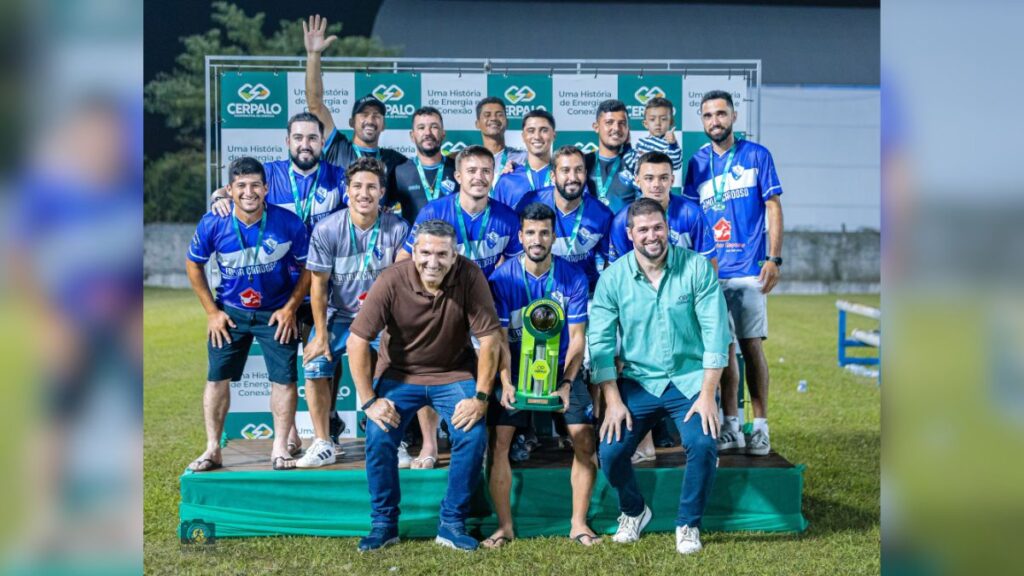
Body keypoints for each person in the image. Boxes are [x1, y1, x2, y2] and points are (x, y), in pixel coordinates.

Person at [348, 219, 501, 552]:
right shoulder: (391, 279)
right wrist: (369, 401)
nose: (433, 262)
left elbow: (490, 340)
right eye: (426, 253)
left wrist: (480, 397)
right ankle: (384, 524)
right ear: (414, 252)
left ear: (455, 255)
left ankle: (452, 523)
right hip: (399, 375)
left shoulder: (470, 275)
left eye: (442, 254)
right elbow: (357, 340)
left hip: (453, 374)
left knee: (473, 434)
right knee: (378, 435)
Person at [588, 198, 730, 555]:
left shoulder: (696, 268)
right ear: (630, 234)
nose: (652, 236)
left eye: (658, 228)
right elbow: (600, 344)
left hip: (690, 380)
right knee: (610, 452)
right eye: (643, 230)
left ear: (667, 228)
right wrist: (613, 400)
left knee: (703, 444)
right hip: (639, 381)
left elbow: (716, 334)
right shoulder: (613, 278)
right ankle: (634, 510)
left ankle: (688, 524)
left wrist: (708, 395)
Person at [397, 145, 521, 466]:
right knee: (429, 369)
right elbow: (404, 259)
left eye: (485, 171)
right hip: (441, 303)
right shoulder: (434, 212)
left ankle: (478, 441)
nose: (479, 177)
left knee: (487, 367)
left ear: (494, 176)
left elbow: (515, 266)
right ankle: (429, 445)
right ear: (458, 176)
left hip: (483, 307)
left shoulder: (507, 218)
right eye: (472, 171)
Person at [184, 157, 311, 471]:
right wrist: (212, 313)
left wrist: (290, 308)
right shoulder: (214, 221)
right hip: (230, 313)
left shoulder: (288, 222)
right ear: (229, 189)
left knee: (284, 380)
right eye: (241, 185)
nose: (249, 192)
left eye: (255, 185)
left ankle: (280, 447)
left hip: (275, 314)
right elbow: (193, 264)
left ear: (266, 188)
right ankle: (213, 448)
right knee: (217, 378)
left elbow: (309, 267)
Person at [483, 202, 597, 548]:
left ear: (553, 236)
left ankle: (578, 523)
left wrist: (567, 383)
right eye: (530, 233)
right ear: (520, 236)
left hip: (560, 369)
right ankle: (504, 527)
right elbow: (500, 339)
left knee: (584, 439)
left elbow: (577, 339)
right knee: (498, 443)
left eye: (544, 233)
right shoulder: (501, 279)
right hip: (516, 369)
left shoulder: (573, 276)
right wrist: (505, 383)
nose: (537, 239)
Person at [683, 90, 784, 457]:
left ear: (734, 116)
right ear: (702, 120)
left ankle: (761, 427)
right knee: (721, 349)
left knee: (751, 345)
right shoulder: (696, 163)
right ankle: (731, 426)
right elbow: (691, 219)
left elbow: (773, 206)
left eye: (721, 114)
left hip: (748, 269)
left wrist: (774, 257)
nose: (715, 121)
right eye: (708, 115)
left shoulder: (757, 155)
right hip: (711, 272)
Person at [295, 157, 409, 468]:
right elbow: (318, 287)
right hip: (341, 313)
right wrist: (320, 335)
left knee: (396, 364)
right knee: (315, 362)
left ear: (382, 192)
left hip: (382, 316)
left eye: (371, 187)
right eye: (357, 186)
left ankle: (391, 439)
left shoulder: (397, 228)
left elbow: (402, 284)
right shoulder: (327, 229)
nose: (364, 193)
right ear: (347, 191)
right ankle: (323, 442)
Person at [304, 15, 408, 193]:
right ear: (352, 122)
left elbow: (428, 163)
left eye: (376, 115)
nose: (370, 120)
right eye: (364, 114)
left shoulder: (393, 159)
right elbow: (315, 104)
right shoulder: (337, 147)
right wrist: (314, 55)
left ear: (384, 125)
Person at [517, 145, 614, 294]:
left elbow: (611, 261)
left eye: (579, 170)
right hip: (538, 293)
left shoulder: (602, 214)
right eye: (565, 170)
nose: (573, 178)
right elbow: (513, 250)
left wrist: (603, 294)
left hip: (585, 291)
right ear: (553, 176)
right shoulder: (530, 202)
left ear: (585, 173)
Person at [609, 151, 716, 264]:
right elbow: (617, 269)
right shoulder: (622, 221)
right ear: (637, 181)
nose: (656, 184)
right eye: (649, 178)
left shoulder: (692, 213)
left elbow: (708, 262)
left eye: (663, 178)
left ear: (672, 180)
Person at [388, 106, 459, 224]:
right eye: (421, 127)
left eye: (434, 127)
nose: (428, 133)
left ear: (443, 133)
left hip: (453, 236)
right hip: (414, 236)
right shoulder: (398, 172)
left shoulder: (458, 169)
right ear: (412, 136)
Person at [490, 109, 556, 209]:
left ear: (554, 135)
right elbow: (497, 217)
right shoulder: (507, 180)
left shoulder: (564, 178)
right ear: (523, 136)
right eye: (531, 131)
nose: (537, 136)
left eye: (544, 130)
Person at [585, 99, 635, 213]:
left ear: (628, 128)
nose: (616, 128)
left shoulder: (636, 163)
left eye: (622, 123)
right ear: (596, 127)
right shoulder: (583, 163)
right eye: (609, 122)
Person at [621, 97, 683, 189]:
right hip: (639, 190)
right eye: (652, 119)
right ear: (645, 124)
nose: (658, 123)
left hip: (659, 189)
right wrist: (627, 147)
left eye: (663, 119)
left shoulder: (670, 145)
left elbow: (676, 164)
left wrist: (673, 145)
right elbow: (632, 165)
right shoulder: (642, 142)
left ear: (671, 122)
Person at [475, 96, 528, 186]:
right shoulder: (470, 160)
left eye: (499, 115)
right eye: (487, 115)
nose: (493, 118)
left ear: (507, 122)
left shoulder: (523, 158)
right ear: (477, 124)